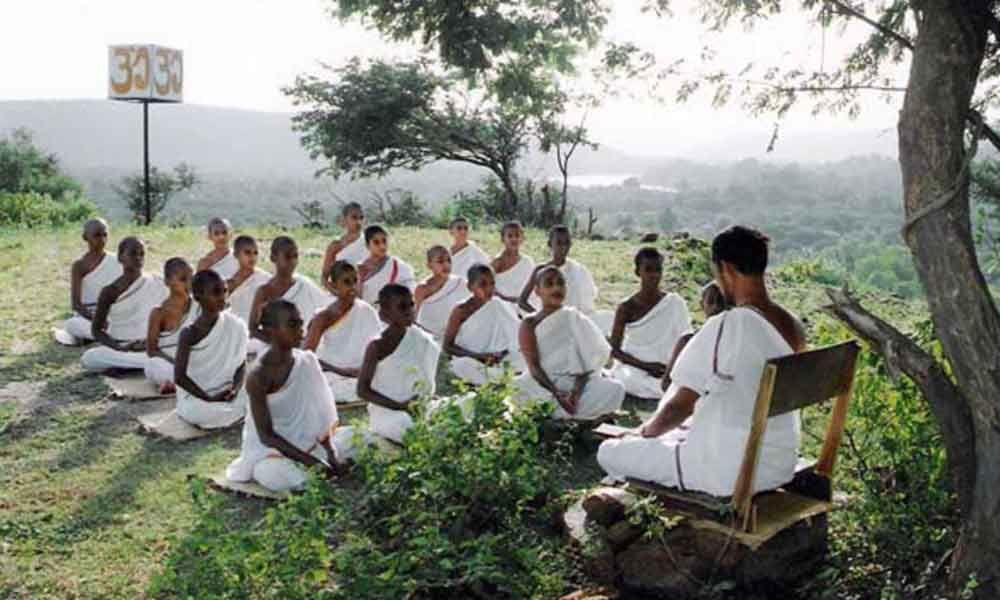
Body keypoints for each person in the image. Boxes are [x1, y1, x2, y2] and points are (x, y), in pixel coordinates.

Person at [597, 226, 807, 497]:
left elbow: (678, 408)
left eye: (716, 273)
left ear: (727, 269)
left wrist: (644, 432)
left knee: (610, 452)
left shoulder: (727, 325)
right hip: (779, 465)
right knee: (681, 433)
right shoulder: (793, 325)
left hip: (727, 472)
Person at [226, 300, 362, 492]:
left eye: (300, 323)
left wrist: (331, 453)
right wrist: (314, 464)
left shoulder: (307, 361)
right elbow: (266, 436)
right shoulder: (258, 376)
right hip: (272, 453)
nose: (301, 331)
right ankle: (308, 476)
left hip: (309, 443)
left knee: (363, 439)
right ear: (271, 330)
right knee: (273, 473)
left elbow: (323, 416)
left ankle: (318, 468)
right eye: (292, 325)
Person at [513, 266, 625, 420]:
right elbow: (533, 366)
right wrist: (557, 394)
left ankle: (555, 414)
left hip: (574, 383)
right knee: (517, 390)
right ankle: (578, 415)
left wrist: (576, 393)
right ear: (537, 291)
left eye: (560, 283)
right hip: (542, 383)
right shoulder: (529, 323)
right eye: (549, 284)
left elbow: (587, 365)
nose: (556, 288)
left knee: (616, 389)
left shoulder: (575, 318)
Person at [357, 284, 441, 443]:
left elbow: (426, 377)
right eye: (402, 307)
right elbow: (363, 390)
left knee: (461, 406)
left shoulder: (421, 338)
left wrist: (424, 399)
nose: (409, 311)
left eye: (411, 305)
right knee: (408, 426)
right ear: (385, 312)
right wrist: (401, 406)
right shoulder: (377, 345)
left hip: (420, 406)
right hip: (389, 411)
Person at [608, 248, 693, 400]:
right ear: (638, 272)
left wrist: (669, 370)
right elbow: (614, 351)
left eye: (658, 269)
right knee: (626, 379)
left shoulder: (675, 303)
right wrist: (648, 366)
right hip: (635, 368)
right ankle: (669, 390)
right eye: (648, 269)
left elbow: (686, 338)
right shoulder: (626, 307)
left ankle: (668, 387)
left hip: (668, 368)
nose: (654, 275)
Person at [173, 270, 248, 429]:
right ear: (198, 296)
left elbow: (241, 364)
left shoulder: (236, 325)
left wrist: (235, 389)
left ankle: (235, 411)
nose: (222, 297)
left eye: (224, 291)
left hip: (227, 392)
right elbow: (179, 377)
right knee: (198, 412)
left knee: (259, 395)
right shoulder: (189, 333)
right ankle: (237, 414)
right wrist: (208, 398)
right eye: (216, 292)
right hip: (197, 399)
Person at [81, 237, 168, 372]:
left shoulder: (156, 281)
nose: (139, 258)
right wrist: (119, 347)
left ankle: (141, 363)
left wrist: (153, 340)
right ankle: (148, 363)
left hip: (152, 344)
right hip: (123, 346)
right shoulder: (109, 292)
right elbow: (96, 331)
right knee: (90, 358)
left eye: (142, 254)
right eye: (133, 253)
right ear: (121, 257)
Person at [303, 260, 382, 404]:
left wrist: (362, 370)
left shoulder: (366, 310)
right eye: (346, 282)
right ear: (334, 286)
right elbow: (307, 356)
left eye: (355, 281)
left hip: (363, 371)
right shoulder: (323, 316)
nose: (353, 287)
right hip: (334, 373)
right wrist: (340, 370)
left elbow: (379, 349)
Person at [518, 225, 613, 332]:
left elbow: (586, 304)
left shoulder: (578, 270)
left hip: (575, 319)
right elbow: (522, 301)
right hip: (550, 321)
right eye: (559, 243)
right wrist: (543, 316)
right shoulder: (541, 270)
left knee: (610, 318)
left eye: (566, 243)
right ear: (550, 244)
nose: (563, 247)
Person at [444, 264, 524, 385]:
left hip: (499, 359)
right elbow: (447, 346)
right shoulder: (461, 310)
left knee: (524, 359)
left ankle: (499, 377)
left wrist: (501, 354)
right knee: (460, 365)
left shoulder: (498, 304)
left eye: (492, 283)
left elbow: (514, 336)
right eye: (483, 284)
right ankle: (502, 378)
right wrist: (479, 356)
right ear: (470, 287)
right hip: (474, 359)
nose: (489, 289)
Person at [247, 236, 331, 351]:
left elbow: (325, 307)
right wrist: (280, 342)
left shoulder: (304, 284)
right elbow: (252, 328)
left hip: (301, 344)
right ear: (273, 258)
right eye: (287, 256)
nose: (293, 261)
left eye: (295, 256)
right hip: (272, 347)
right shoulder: (264, 291)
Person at [55, 218, 123, 345]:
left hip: (113, 313)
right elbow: (76, 304)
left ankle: (106, 334)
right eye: (97, 235)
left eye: (105, 235)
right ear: (85, 237)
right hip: (90, 316)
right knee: (71, 324)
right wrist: (99, 320)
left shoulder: (116, 260)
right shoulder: (79, 265)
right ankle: (110, 334)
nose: (102, 239)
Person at [143, 258, 200, 394]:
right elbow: (152, 350)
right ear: (167, 282)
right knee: (152, 365)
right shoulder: (159, 313)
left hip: (195, 361)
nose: (189, 284)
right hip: (170, 364)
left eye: (192, 278)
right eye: (183, 279)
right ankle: (179, 382)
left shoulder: (200, 305)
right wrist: (176, 363)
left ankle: (177, 384)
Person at [660, 282, 728, 393]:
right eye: (711, 302)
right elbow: (666, 384)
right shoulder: (687, 340)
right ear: (702, 305)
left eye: (721, 302)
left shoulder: (735, 342)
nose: (716, 307)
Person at [415, 245, 471, 338]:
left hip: (454, 335)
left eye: (449, 260)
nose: (446, 265)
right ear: (429, 265)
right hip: (429, 335)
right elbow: (414, 316)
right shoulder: (422, 289)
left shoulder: (459, 283)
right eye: (440, 261)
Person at [226, 235, 270, 353]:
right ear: (236, 255)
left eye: (255, 253)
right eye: (247, 253)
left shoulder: (265, 279)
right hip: (235, 329)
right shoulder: (229, 279)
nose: (252, 257)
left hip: (257, 331)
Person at [357, 225, 416, 306]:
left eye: (384, 241)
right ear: (367, 245)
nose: (382, 246)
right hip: (366, 313)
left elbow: (410, 291)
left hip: (391, 314)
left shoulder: (398, 266)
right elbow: (356, 298)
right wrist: (360, 279)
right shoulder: (359, 267)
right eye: (376, 242)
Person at [320, 202, 369, 289]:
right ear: (344, 220)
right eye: (354, 217)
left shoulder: (370, 242)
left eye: (361, 218)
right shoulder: (335, 245)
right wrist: (336, 293)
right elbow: (324, 278)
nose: (358, 222)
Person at [491, 220, 535, 306]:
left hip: (524, 304)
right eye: (510, 236)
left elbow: (533, 288)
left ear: (522, 239)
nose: (514, 239)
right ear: (503, 239)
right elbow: (487, 286)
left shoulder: (528, 262)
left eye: (517, 235)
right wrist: (505, 299)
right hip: (502, 305)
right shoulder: (497, 262)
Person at [448, 216, 489, 282]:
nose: (463, 231)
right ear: (451, 231)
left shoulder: (473, 250)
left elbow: (489, 266)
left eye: (466, 228)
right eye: (459, 228)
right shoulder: (446, 252)